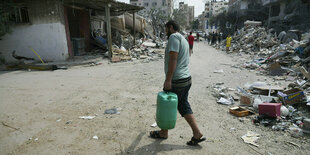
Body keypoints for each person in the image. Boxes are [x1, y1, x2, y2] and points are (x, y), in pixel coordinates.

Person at [149, 20, 206, 146]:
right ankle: (196, 133)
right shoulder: (183, 39)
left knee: (167, 104)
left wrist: (168, 79)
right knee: (183, 105)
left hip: (177, 80)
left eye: (166, 29)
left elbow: (173, 58)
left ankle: (164, 132)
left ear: (170, 27)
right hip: (186, 79)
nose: (165, 32)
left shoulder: (174, 37)